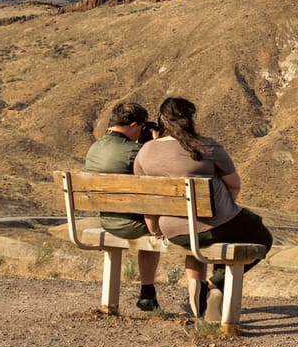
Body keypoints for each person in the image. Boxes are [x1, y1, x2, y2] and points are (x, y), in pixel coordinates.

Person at [134, 95, 274, 318]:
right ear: (191, 119)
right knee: (262, 237)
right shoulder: (206, 145)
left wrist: (154, 230)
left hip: (175, 231)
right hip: (215, 224)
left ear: (162, 119)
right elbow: (234, 185)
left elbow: (147, 199)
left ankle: (198, 298)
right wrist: (225, 209)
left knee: (198, 243)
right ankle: (213, 285)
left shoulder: (145, 151)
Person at [85, 100, 162, 312]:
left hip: (107, 220)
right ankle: (147, 290)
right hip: (133, 225)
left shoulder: (94, 148)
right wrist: (153, 145)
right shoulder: (134, 152)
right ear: (134, 125)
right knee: (155, 226)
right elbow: (159, 178)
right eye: (141, 127)